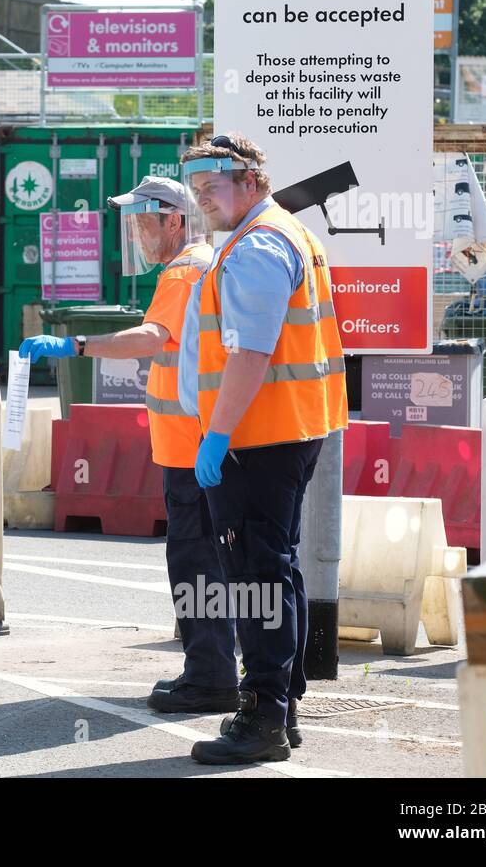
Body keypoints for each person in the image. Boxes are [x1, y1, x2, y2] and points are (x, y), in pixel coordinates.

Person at [18, 177, 238, 715]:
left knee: (196, 563)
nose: (137, 234)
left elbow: (151, 338)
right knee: (209, 562)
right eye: (134, 223)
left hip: (193, 450)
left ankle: (210, 679)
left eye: (143, 221)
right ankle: (212, 671)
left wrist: (76, 343)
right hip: (197, 444)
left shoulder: (185, 271)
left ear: (173, 220)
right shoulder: (201, 264)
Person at [175, 133, 347, 765]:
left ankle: (263, 716)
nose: (203, 200)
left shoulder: (256, 248)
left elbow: (252, 352)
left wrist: (217, 435)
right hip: (288, 431)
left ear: (250, 180)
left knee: (254, 579)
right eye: (196, 190)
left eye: (211, 187)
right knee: (275, 568)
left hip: (257, 437)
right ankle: (281, 705)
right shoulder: (287, 234)